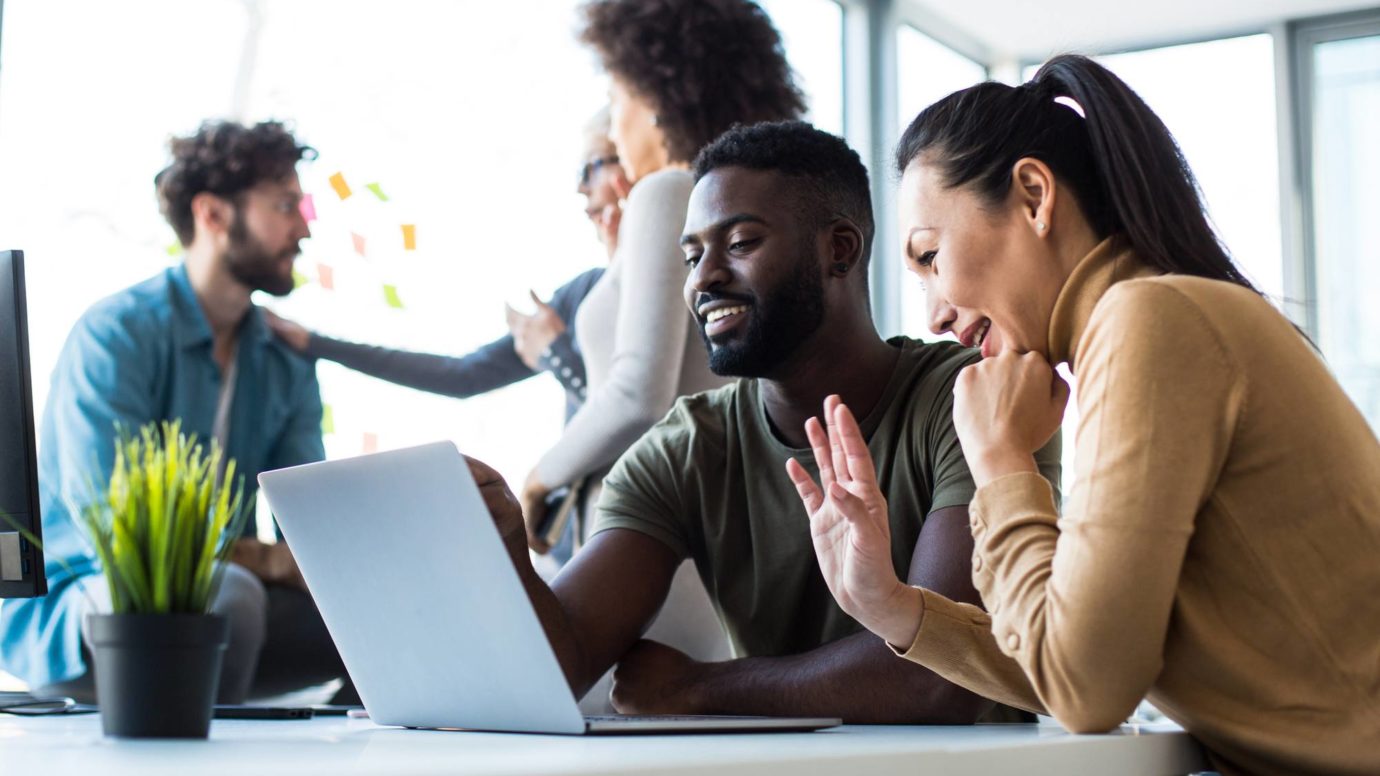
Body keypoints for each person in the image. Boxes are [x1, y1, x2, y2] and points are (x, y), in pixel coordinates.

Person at [794, 55, 1380, 775]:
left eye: (932, 256)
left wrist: (1001, 460)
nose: (937, 314)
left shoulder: (1148, 320)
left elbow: (1085, 688)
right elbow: (1077, 650)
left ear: (1034, 196)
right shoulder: (1146, 321)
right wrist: (892, 606)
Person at [464, 120, 1061, 722]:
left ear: (840, 250)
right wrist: (507, 551)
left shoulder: (976, 397)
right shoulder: (683, 449)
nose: (703, 277)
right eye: (693, 255)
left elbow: (944, 676)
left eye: (741, 243)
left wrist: (700, 689)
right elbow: (560, 663)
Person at [0, 120, 355, 704]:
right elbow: (122, 531)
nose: (304, 227)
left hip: (229, 606)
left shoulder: (285, 361)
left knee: (390, 613)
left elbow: (309, 534)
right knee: (229, 595)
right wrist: (267, 559)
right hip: (85, 604)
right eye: (286, 205)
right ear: (213, 215)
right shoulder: (116, 334)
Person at [265, 109, 626, 562]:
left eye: (592, 166)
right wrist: (317, 343)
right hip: (575, 543)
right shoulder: (581, 294)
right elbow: (461, 375)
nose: (580, 188)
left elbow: (633, 417)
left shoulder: (684, 286)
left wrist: (555, 353)